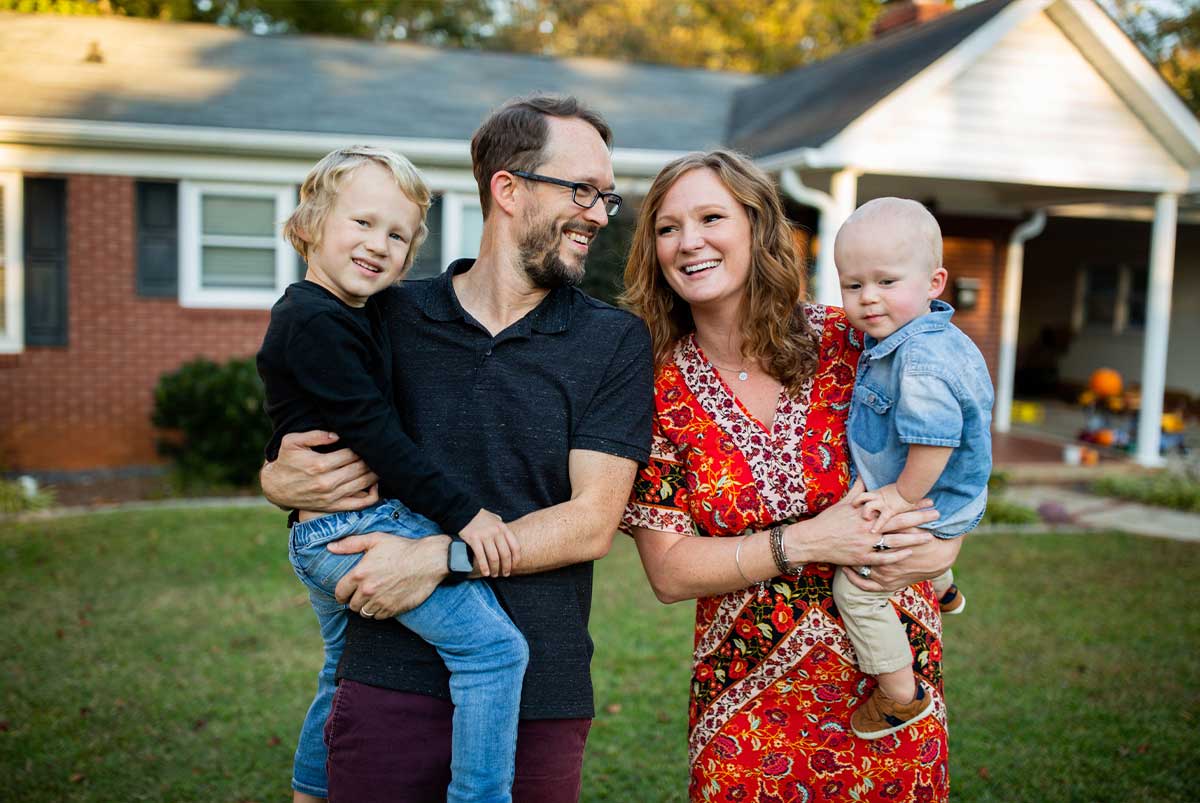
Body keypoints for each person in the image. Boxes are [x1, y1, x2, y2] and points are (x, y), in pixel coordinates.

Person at [259, 95, 653, 803]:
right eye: (582, 190)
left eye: (606, 196)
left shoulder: (612, 342)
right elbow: (317, 411)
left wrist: (435, 556)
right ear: (508, 188)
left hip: (539, 688)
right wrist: (276, 477)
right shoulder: (389, 311)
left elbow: (594, 521)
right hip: (386, 667)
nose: (599, 213)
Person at [621, 150, 960, 802]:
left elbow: (950, 470)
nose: (689, 240)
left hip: (889, 699)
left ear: (756, 227)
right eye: (667, 227)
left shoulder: (859, 343)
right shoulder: (652, 386)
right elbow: (669, 571)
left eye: (711, 217)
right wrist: (806, 542)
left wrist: (946, 547)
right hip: (744, 710)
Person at [256, 145, 529, 803]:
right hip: (354, 525)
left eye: (397, 235)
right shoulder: (313, 321)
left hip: (324, 529)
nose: (378, 244)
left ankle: (310, 790)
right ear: (311, 224)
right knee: (494, 652)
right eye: (362, 222)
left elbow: (290, 413)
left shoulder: (352, 312)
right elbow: (379, 436)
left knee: (339, 667)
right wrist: (468, 515)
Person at [831, 197, 992, 741]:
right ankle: (944, 588)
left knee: (857, 589)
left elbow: (932, 443)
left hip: (931, 498)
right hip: (951, 496)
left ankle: (900, 694)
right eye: (853, 285)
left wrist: (900, 498)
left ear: (934, 282)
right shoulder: (940, 339)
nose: (868, 298)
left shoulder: (919, 362)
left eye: (885, 281)